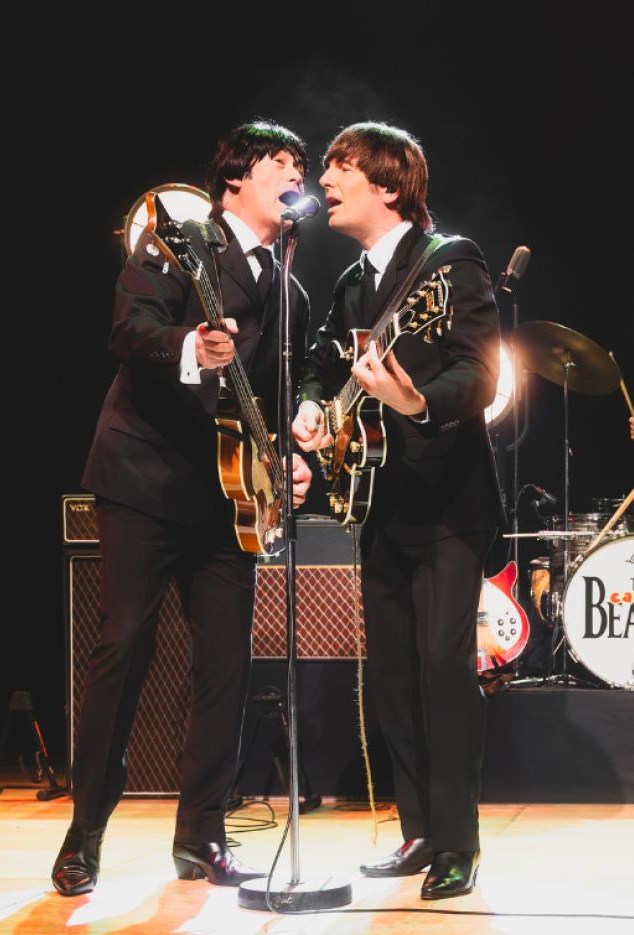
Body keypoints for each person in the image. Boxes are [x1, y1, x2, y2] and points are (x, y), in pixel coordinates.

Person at [52, 120, 312, 895]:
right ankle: (83, 834)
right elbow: (128, 329)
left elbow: (279, 389)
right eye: (280, 161)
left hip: (229, 495)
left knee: (226, 666)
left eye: (302, 163)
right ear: (235, 175)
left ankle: (200, 835)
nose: (295, 173)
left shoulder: (287, 281)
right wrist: (194, 345)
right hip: (143, 475)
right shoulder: (178, 240)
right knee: (123, 648)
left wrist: (287, 456)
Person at [293, 122, 503, 899]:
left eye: (339, 167)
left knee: (443, 669)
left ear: (387, 186)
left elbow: (478, 374)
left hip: (450, 502)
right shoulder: (352, 281)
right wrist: (315, 407)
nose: (324, 178)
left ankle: (458, 840)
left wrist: (412, 399)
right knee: (390, 674)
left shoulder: (451, 262)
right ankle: (417, 827)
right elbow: (320, 363)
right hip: (377, 499)